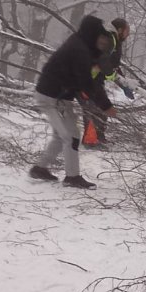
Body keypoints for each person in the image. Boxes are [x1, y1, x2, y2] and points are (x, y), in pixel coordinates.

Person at [29, 15, 117, 189]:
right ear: (93, 34)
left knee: (65, 136)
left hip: (60, 97)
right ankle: (72, 177)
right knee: (70, 136)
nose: (103, 42)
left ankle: (40, 169)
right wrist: (106, 105)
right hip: (52, 98)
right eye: (101, 38)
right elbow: (86, 82)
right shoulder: (79, 50)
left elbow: (84, 79)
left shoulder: (82, 45)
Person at [82, 17, 132, 148]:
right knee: (92, 109)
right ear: (120, 30)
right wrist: (111, 75)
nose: (129, 34)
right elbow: (102, 60)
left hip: (95, 80)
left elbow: (113, 65)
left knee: (102, 108)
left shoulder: (114, 40)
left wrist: (124, 85)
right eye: (127, 30)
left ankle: (99, 137)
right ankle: (90, 141)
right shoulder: (108, 38)